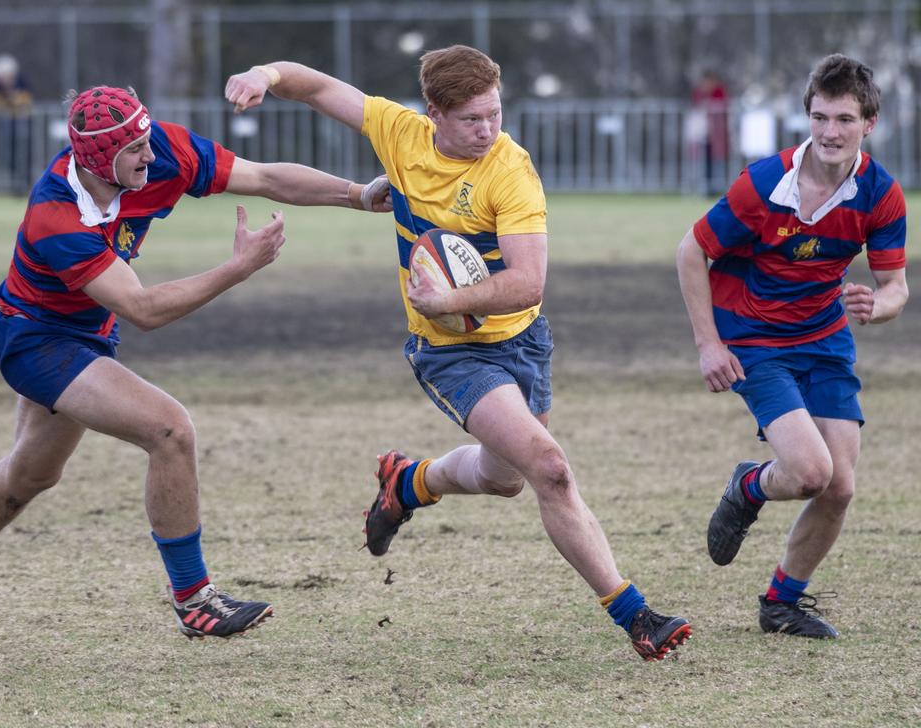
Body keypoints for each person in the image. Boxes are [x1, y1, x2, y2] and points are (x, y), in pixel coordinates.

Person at [225, 46, 692, 661]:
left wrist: (449, 296)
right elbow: (315, 87)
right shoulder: (399, 133)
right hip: (450, 353)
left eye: (495, 113)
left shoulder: (511, 171)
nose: (488, 129)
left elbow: (528, 282)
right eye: (472, 119)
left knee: (506, 480)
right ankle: (638, 617)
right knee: (549, 467)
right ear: (434, 115)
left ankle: (409, 482)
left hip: (521, 340)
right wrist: (266, 74)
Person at [0, 85, 392, 651]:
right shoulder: (56, 214)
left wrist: (359, 194)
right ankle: (195, 601)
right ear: (95, 159)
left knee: (33, 474)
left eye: (146, 140)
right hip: (36, 340)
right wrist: (237, 269)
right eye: (134, 149)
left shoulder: (162, 151)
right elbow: (143, 309)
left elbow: (264, 177)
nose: (149, 155)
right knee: (169, 431)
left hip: (88, 332)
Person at [676, 54, 908, 639]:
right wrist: (708, 345)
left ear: (869, 123)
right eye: (820, 117)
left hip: (825, 340)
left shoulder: (880, 195)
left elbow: (895, 286)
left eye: (845, 120)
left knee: (841, 486)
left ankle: (781, 603)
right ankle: (749, 486)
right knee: (808, 472)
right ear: (808, 116)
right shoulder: (763, 184)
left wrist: (878, 307)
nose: (830, 132)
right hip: (754, 339)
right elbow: (690, 251)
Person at [0, 54, 34, 194]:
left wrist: (12, 98)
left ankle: (25, 182)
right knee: (9, 155)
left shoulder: (23, 82)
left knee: (25, 154)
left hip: (23, 125)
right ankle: (16, 183)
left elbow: (25, 103)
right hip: (6, 128)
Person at [690, 69, 730, 195]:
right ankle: (704, 187)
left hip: (718, 135)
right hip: (703, 133)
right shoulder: (699, 92)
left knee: (718, 160)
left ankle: (718, 186)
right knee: (702, 160)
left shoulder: (719, 92)